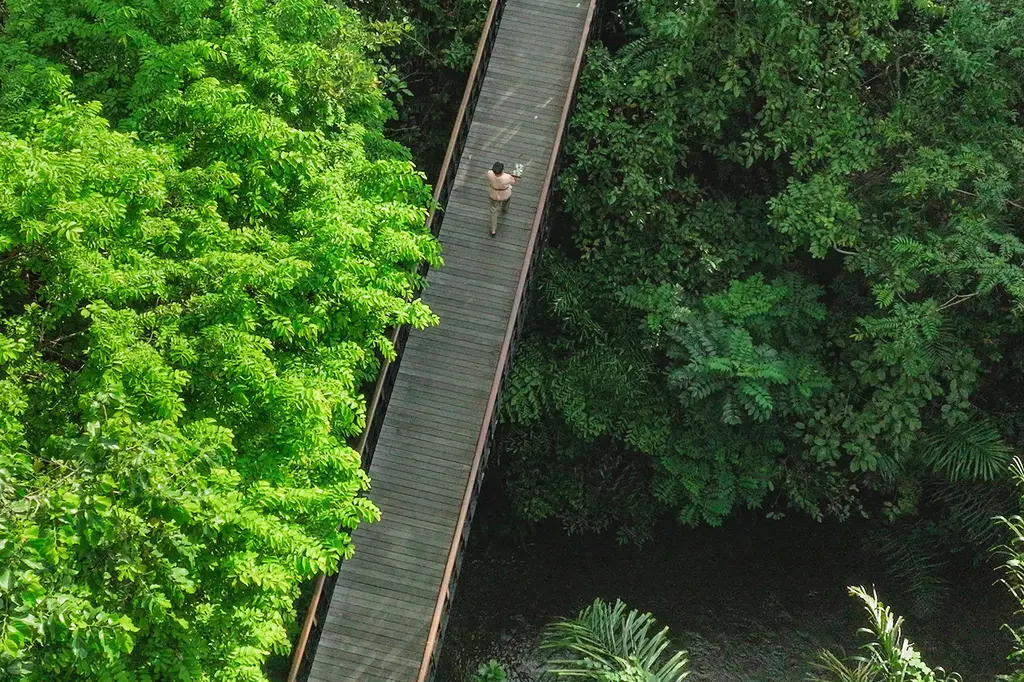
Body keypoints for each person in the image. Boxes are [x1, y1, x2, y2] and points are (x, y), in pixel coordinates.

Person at [486, 161, 519, 236]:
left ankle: (493, 229)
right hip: (505, 193)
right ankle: (504, 208)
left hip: (494, 194)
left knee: (493, 211)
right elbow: (513, 181)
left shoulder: (489, 173)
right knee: (507, 199)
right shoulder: (507, 177)